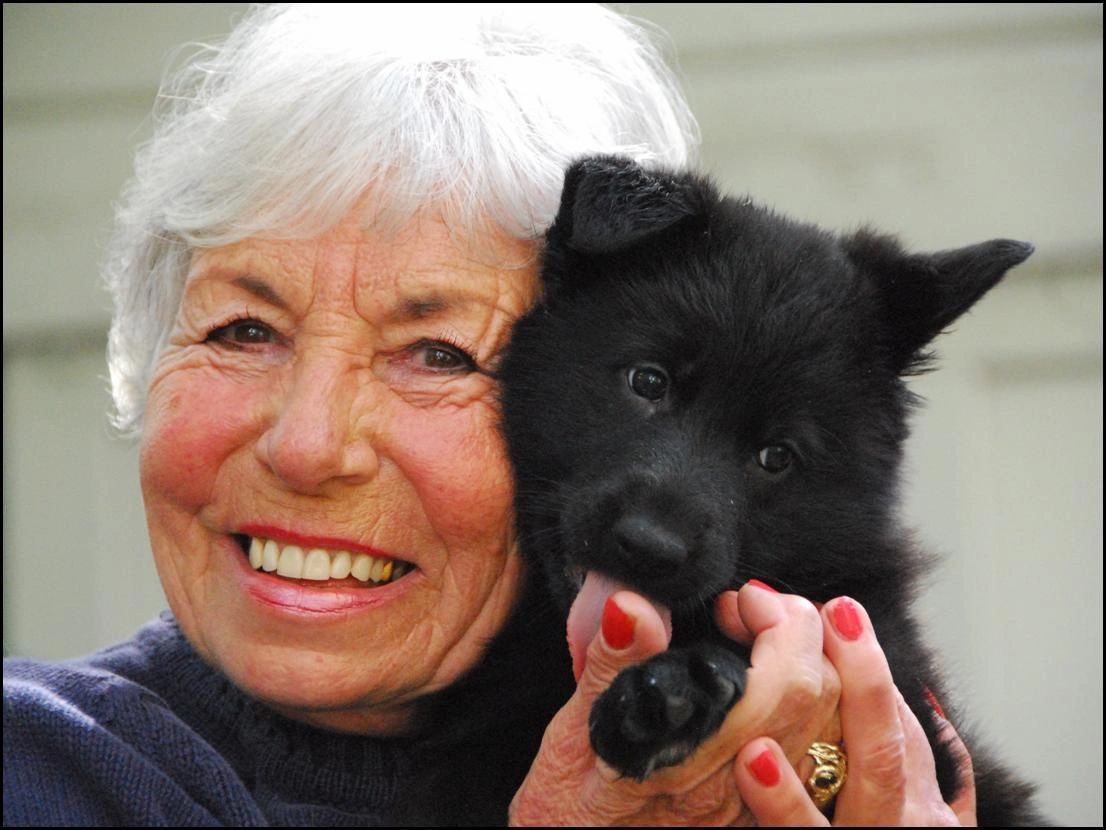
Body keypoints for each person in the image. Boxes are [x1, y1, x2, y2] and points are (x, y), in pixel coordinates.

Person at [3, 5, 975, 825]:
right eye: (243, 329)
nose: (307, 444)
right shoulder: (41, 766)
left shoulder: (795, 700)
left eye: (437, 352)